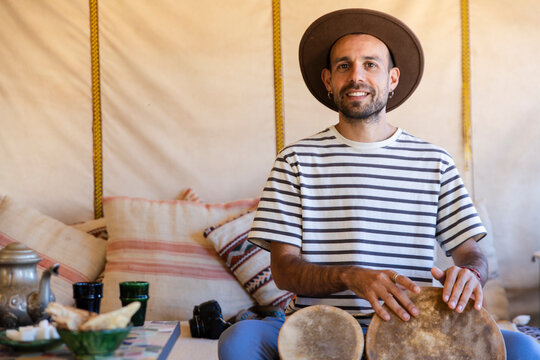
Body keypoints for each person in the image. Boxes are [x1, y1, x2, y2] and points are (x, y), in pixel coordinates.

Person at [218, 8, 540, 360]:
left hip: (410, 331)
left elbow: (471, 254)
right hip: (317, 327)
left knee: (523, 349)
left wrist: (470, 274)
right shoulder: (294, 159)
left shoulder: (434, 162)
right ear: (328, 80)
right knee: (239, 340)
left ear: (393, 79)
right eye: (344, 66)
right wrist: (351, 276)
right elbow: (283, 270)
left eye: (370, 64)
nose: (356, 76)